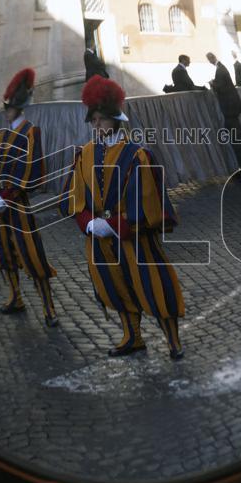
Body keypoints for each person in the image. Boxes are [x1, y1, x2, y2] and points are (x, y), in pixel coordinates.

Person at [59, 75, 186, 360]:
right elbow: (75, 198)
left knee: (153, 284)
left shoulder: (138, 154)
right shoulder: (84, 154)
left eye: (101, 119)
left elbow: (149, 202)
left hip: (134, 239)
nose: (96, 125)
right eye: (93, 120)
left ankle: (173, 340)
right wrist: (90, 223)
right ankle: (133, 337)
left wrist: (115, 225)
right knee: (114, 287)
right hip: (100, 241)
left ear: (115, 119)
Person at [0, 68, 60, 327]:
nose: (6, 110)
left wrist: (7, 195)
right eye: (6, 106)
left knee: (32, 255)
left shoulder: (30, 133)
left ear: (20, 107)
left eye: (10, 106)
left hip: (17, 206)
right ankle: (15, 297)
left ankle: (49, 308)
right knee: (3, 254)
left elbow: (33, 169)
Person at [206, 51, 241, 183]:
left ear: (213, 58)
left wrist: (212, 84)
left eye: (210, 58)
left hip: (230, 111)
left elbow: (222, 87)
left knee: (238, 143)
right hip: (231, 111)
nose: (210, 60)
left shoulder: (220, 70)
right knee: (237, 142)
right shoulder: (221, 69)